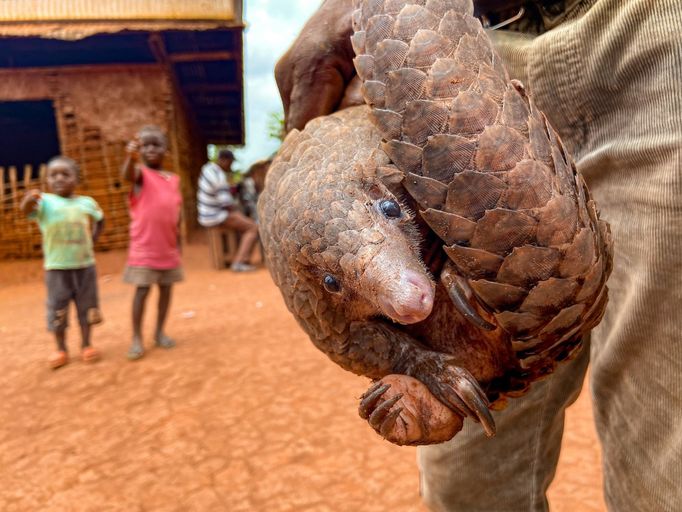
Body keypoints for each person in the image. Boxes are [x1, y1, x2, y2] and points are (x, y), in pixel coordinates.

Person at [275, 1, 682, 511]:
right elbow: (346, 327)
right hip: (459, 51)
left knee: (667, 468)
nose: (411, 300)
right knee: (465, 492)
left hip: (652, 39)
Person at [20, 156, 104, 369]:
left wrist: (92, 240)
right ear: (47, 179)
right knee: (58, 309)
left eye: (65, 175)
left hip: (85, 266)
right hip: (57, 268)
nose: (59, 179)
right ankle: (61, 349)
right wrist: (29, 199)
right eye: (53, 175)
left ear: (76, 179)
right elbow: (26, 211)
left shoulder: (86, 202)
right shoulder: (45, 203)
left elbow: (100, 220)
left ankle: (87, 344)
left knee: (86, 307)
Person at [121, 125, 183, 361]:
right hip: (144, 248)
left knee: (166, 291)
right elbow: (127, 174)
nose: (150, 149)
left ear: (165, 149)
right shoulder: (139, 175)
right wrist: (130, 157)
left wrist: (178, 245)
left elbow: (176, 213)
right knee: (142, 291)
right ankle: (137, 337)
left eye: (156, 144)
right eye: (145, 145)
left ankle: (159, 331)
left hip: (168, 248)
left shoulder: (173, 179)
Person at [197, 149, 259, 272]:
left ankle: (238, 257)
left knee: (242, 221)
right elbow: (226, 204)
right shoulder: (218, 175)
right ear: (224, 160)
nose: (230, 166)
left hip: (206, 214)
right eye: (230, 163)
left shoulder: (208, 169)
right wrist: (239, 210)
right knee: (252, 227)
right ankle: (239, 262)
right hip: (215, 215)